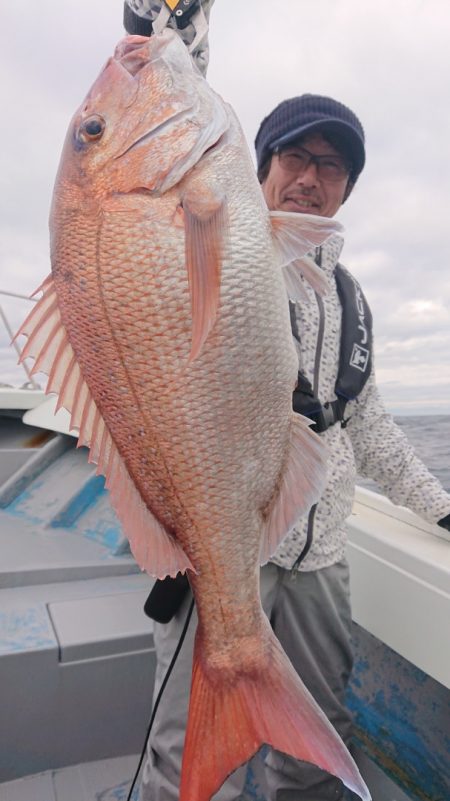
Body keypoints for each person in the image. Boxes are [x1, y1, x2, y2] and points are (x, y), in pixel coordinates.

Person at [122, 5, 450, 801]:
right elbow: (174, 131)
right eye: (294, 155)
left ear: (348, 187)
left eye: (331, 166)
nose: (309, 176)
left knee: (313, 745)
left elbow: (370, 427)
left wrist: (441, 507)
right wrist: (170, 36)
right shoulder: (220, 244)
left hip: (320, 560)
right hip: (223, 547)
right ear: (257, 163)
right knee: (183, 755)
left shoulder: (351, 296)